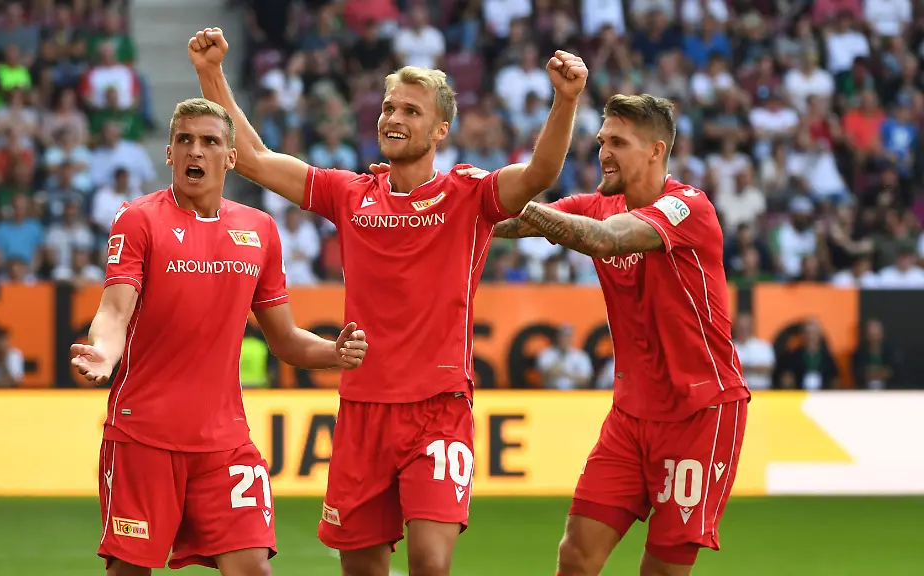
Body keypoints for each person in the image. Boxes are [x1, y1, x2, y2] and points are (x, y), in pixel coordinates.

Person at [187, 27, 586, 576]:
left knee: (430, 562)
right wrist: (211, 72)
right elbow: (252, 158)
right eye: (388, 108)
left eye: (411, 111)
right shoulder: (349, 194)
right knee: (361, 569)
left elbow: (540, 173)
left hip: (439, 409)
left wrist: (565, 100)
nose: (393, 118)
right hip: (362, 411)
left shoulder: (469, 194)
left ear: (441, 130)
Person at [69, 97, 369, 576]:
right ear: (169, 152)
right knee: (128, 571)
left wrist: (334, 351)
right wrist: (104, 351)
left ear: (231, 157)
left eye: (210, 141)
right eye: (184, 140)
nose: (196, 150)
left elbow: (285, 339)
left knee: (254, 569)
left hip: (225, 443)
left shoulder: (260, 229)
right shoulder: (138, 219)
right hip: (144, 436)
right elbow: (114, 308)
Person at [493, 94, 750, 576]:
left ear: (656, 151)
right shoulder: (599, 204)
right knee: (576, 555)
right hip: (631, 415)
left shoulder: (688, 207)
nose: (603, 153)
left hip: (700, 412)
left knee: (662, 570)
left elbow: (605, 239)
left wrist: (522, 204)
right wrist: (445, 202)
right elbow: (510, 222)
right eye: (601, 141)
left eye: (617, 142)